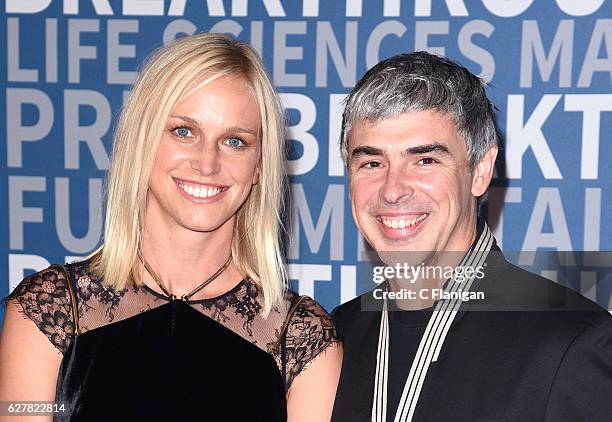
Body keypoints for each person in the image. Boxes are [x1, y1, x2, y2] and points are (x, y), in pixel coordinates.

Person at [0, 33, 341, 421]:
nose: (207, 163)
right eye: (183, 131)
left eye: (234, 140)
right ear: (143, 140)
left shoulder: (301, 341)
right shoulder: (49, 311)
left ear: (259, 165)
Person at [331, 51, 612, 421]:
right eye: (371, 162)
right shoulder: (337, 335)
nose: (392, 189)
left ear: (481, 171)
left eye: (425, 160)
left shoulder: (572, 344)